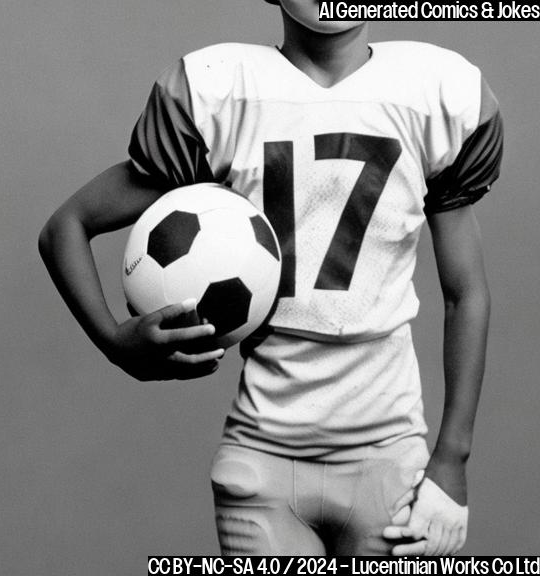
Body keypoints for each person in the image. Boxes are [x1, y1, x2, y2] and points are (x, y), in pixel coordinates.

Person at [38, 0, 500, 556]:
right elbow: (66, 225)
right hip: (261, 462)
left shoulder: (435, 94)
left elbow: (466, 293)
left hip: (393, 462)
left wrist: (452, 459)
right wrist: (114, 341)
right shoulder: (221, 96)